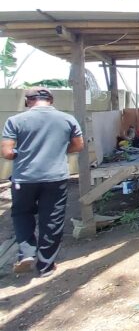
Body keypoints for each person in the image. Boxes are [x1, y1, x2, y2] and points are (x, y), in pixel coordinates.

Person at [1, 87, 84, 276]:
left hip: (24, 178)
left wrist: (23, 153)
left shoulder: (15, 121)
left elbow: (6, 152)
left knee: (22, 214)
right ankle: (46, 266)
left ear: (28, 101)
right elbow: (78, 145)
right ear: (51, 100)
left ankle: (26, 254)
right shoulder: (68, 119)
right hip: (56, 177)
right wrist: (57, 150)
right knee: (52, 219)